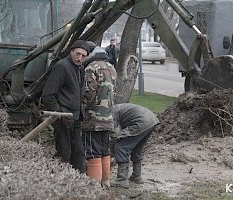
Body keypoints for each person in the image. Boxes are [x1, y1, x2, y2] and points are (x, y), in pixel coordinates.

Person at [41, 40, 89, 174]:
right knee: (64, 154)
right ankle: (62, 184)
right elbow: (48, 95)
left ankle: (80, 187)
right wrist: (59, 114)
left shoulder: (80, 69)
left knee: (78, 155)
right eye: (77, 53)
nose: (80, 57)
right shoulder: (62, 66)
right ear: (71, 52)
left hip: (76, 118)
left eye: (83, 55)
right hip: (64, 119)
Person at [82, 41, 117, 188]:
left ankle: (93, 185)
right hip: (108, 118)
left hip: (93, 118)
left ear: (90, 53)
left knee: (92, 151)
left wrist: (81, 109)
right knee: (104, 150)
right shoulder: (111, 67)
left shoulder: (91, 68)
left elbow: (88, 93)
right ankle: (105, 181)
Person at [110, 103, 160, 188]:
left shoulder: (110, 113)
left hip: (141, 121)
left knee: (120, 147)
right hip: (151, 119)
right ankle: (136, 176)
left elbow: (114, 135)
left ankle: (122, 179)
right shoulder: (116, 109)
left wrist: (111, 151)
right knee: (136, 149)